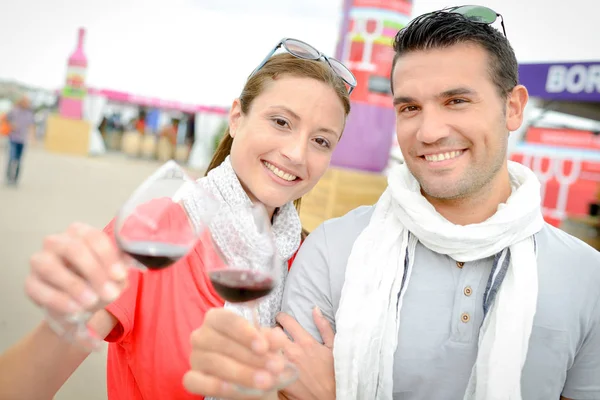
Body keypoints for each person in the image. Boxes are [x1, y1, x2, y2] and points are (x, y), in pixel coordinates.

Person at [182, 6, 600, 400]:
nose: (430, 130)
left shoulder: (586, 278)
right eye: (411, 107)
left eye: (457, 100)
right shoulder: (331, 249)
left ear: (512, 108)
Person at [0, 40, 355, 400]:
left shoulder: (310, 258)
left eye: (321, 141)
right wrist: (63, 323)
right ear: (236, 118)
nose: (296, 153)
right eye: (281, 122)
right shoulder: (156, 232)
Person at [4, 95, 35, 186]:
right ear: (21, 102)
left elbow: (32, 126)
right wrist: (11, 125)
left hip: (22, 140)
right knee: (11, 158)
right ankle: (9, 177)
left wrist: (33, 138)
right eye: (25, 102)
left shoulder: (29, 114)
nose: (26, 104)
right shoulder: (14, 111)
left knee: (19, 160)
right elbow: (5, 118)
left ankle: (15, 179)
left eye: (28, 102)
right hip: (13, 138)